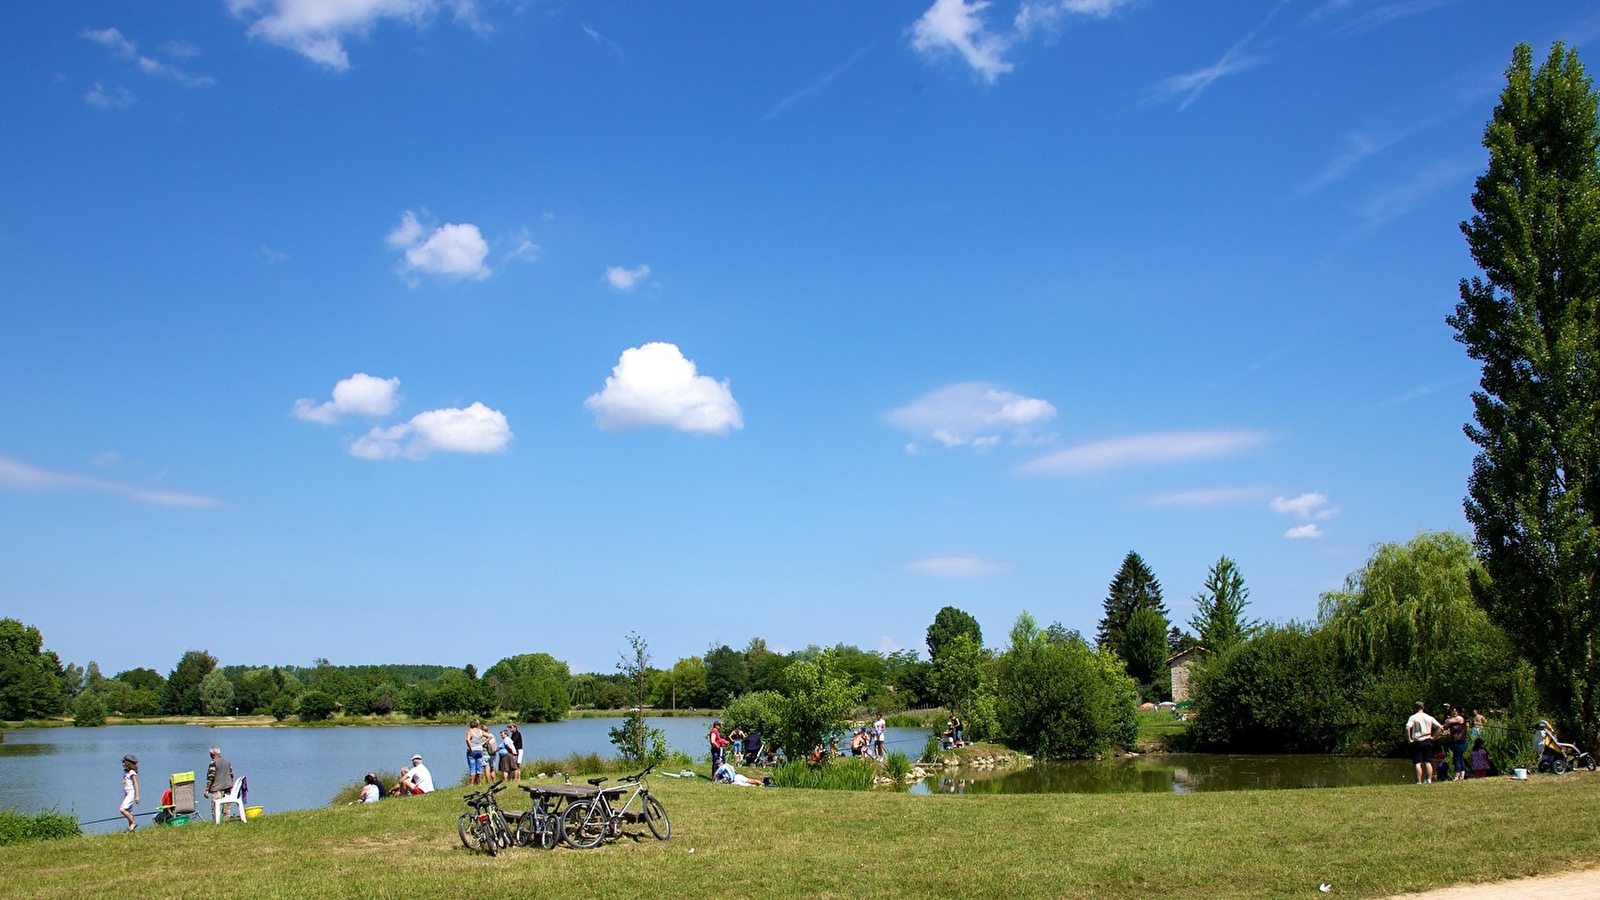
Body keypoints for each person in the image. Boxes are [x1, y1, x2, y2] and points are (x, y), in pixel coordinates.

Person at [1406, 701, 1442, 784]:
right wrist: (1434, 737)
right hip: (1428, 740)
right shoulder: (1429, 717)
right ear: (1423, 707)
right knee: (1427, 761)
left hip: (1418, 741)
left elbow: (1407, 728)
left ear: (1415, 708)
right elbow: (1440, 727)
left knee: (1417, 763)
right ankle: (1429, 780)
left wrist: (1409, 739)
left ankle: (1419, 781)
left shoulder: (1413, 717)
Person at [1442, 704, 1469, 782]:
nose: (1454, 712)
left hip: (1461, 742)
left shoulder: (1459, 718)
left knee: (1456, 758)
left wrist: (1447, 721)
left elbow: (1448, 721)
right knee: (1459, 758)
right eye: (1453, 711)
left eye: (1455, 711)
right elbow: (1446, 725)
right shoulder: (1454, 720)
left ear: (1458, 712)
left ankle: (1457, 776)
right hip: (1456, 742)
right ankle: (1462, 776)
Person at [119, 754, 141, 832]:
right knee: (129, 812)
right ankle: (131, 829)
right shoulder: (126, 772)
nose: (122, 763)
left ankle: (133, 823)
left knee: (122, 809)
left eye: (123, 762)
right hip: (127, 794)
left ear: (128, 763)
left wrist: (137, 796)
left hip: (131, 794)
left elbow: (136, 784)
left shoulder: (132, 772)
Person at [465, 720, 488, 785]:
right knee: (479, 766)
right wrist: (483, 743)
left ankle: (472, 784)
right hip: (479, 750)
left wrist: (470, 747)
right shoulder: (481, 731)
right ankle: (480, 783)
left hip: (472, 750)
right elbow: (489, 736)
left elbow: (467, 739)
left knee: (472, 767)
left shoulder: (470, 731)